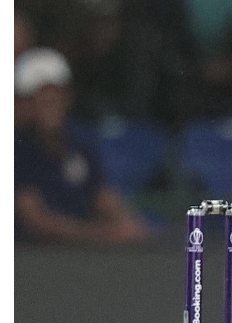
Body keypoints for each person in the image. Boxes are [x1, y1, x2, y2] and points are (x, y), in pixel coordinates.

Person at [14, 48, 152, 244]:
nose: (49, 104)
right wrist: (103, 234)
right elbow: (35, 221)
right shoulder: (16, 149)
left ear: (67, 97)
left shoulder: (80, 143)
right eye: (39, 98)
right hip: (27, 256)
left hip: (78, 254)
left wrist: (127, 224)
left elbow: (102, 196)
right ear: (23, 104)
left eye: (55, 96)